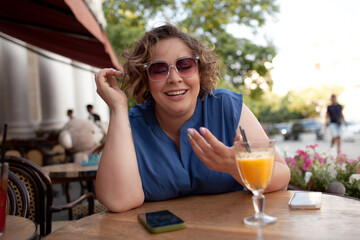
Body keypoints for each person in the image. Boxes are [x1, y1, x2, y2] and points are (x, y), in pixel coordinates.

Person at [94, 23, 290, 212]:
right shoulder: (130, 126)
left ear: (200, 71)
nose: (174, 78)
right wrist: (118, 109)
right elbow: (119, 201)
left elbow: (282, 175)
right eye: (159, 70)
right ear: (145, 79)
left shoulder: (226, 106)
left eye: (185, 65)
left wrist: (235, 166)